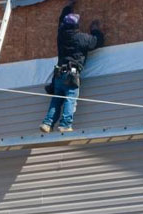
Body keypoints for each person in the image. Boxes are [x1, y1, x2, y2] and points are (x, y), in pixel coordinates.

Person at [41, 0, 105, 133]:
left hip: (58, 75)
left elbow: (61, 20)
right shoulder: (82, 38)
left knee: (57, 100)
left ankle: (47, 123)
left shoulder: (61, 35)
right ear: (76, 26)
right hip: (71, 75)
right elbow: (97, 41)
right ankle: (65, 125)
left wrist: (68, 7)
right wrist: (95, 30)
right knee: (70, 99)